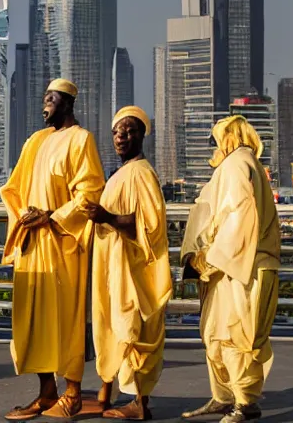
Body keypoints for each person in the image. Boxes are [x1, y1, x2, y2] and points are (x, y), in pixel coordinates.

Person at [0, 79, 106, 420]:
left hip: (63, 245)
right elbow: (14, 187)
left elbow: (90, 194)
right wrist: (25, 218)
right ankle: (46, 393)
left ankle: (72, 392)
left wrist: (50, 216)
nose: (44, 104)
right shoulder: (36, 140)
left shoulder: (81, 139)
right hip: (32, 243)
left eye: (51, 99)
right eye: (44, 98)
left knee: (65, 319)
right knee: (31, 321)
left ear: (67, 103)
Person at [181, 115, 280, 423]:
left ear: (229, 138)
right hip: (229, 267)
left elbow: (241, 215)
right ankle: (224, 396)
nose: (214, 146)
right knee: (215, 332)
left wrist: (209, 261)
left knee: (238, 336)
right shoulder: (237, 163)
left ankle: (245, 404)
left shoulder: (239, 163)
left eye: (216, 139)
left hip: (242, 266)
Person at [86, 106, 172, 421]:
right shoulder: (122, 173)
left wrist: (106, 216)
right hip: (115, 268)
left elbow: (149, 224)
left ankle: (139, 403)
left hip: (134, 272)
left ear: (142, 135)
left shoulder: (142, 173)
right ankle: (108, 393)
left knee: (135, 331)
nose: (122, 137)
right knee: (117, 329)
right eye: (118, 132)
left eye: (130, 131)